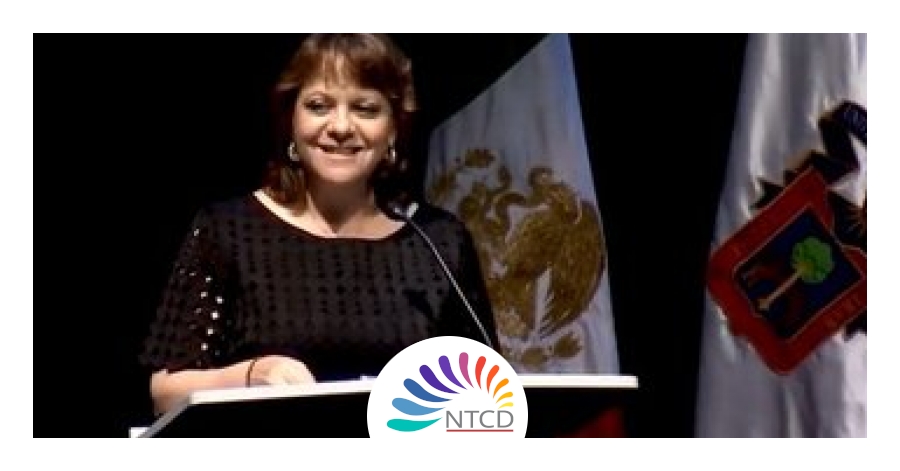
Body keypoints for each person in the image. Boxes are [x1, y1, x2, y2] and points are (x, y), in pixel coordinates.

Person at [138, 34, 500, 416]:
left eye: (365, 108)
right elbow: (165, 392)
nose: (341, 126)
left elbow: (487, 391)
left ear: (393, 129)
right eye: (318, 106)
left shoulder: (439, 241)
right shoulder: (228, 230)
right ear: (291, 121)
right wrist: (255, 373)